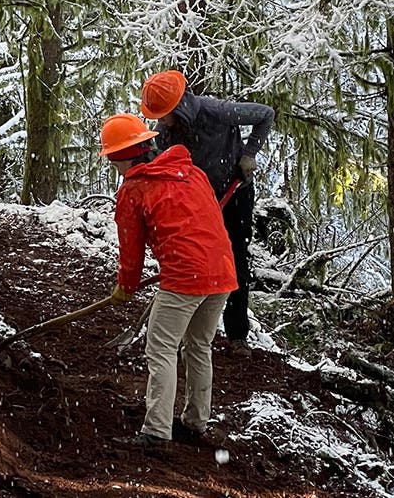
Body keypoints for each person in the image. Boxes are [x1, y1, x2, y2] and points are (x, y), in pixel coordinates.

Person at [100, 113, 237, 449]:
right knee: (199, 346)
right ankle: (195, 421)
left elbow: (130, 251)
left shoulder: (134, 189)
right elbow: (204, 225)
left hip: (185, 278)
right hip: (222, 271)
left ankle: (157, 432)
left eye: (112, 159)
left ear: (122, 156)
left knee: (160, 348)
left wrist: (126, 286)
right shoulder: (193, 173)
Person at [140, 70, 275, 358]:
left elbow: (266, 114)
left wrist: (248, 155)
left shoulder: (219, 112)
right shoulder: (166, 133)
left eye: (164, 115)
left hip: (234, 194)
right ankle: (190, 325)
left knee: (234, 257)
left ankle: (237, 334)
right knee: (193, 256)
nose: (160, 121)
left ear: (178, 108)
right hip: (198, 201)